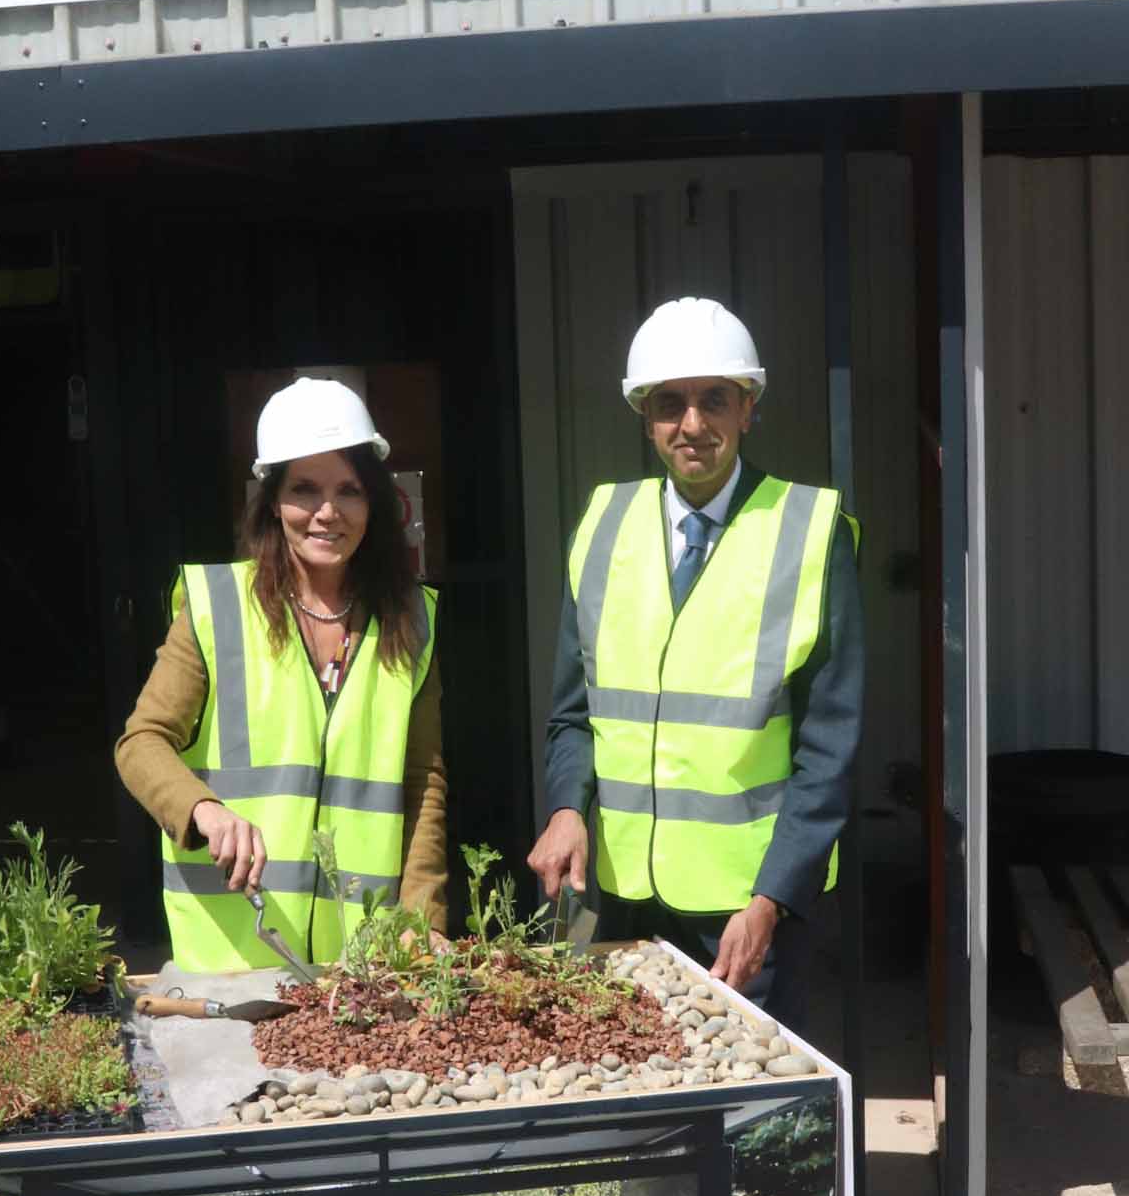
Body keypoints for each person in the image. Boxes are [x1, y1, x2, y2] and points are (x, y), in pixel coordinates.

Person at [526, 298, 862, 1024]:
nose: (693, 424)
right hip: (619, 895)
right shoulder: (604, 524)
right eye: (670, 403)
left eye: (716, 400)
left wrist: (772, 900)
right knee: (635, 1102)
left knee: (755, 1120)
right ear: (644, 417)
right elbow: (572, 714)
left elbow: (829, 747)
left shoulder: (808, 530)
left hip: (745, 912)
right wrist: (564, 808)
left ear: (749, 409)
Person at [116, 376, 446, 970]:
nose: (328, 512)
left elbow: (423, 780)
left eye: (349, 490)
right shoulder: (216, 605)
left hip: (361, 960)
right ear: (272, 501)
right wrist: (204, 809)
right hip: (233, 951)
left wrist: (420, 923)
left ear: (374, 501)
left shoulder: (412, 618)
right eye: (305, 490)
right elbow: (141, 742)